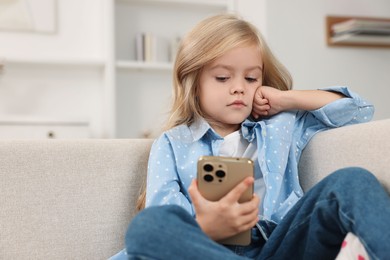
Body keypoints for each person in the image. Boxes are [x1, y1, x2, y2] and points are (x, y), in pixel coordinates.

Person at [111, 14, 390, 259]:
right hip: (207, 249)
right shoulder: (174, 144)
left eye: (251, 78)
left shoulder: (281, 125)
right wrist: (208, 227)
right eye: (222, 78)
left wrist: (285, 98)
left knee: (352, 181)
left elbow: (358, 111)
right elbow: (165, 219)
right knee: (147, 227)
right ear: (193, 83)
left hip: (280, 245)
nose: (238, 88)